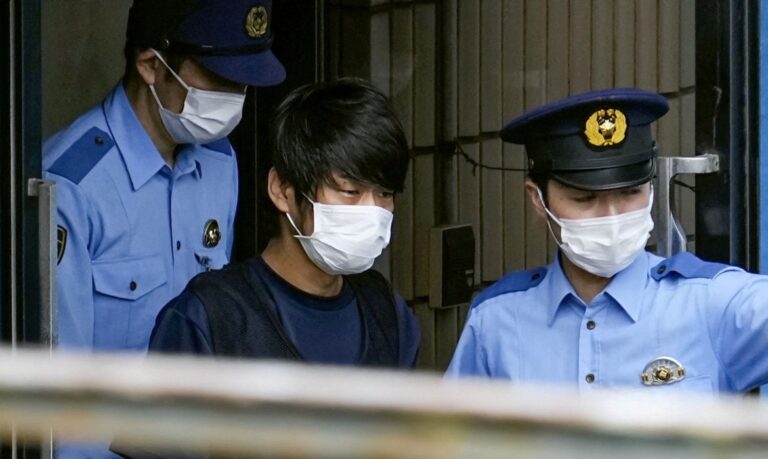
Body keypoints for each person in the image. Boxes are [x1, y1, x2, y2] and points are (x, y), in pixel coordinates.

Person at [446, 88, 768, 394]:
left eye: (630, 192)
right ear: (538, 199)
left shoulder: (711, 304)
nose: (611, 216)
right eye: (584, 198)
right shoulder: (496, 322)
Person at [43, 0, 285, 353]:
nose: (234, 98)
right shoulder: (72, 185)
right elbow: (62, 375)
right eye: (218, 79)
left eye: (243, 84)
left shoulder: (220, 160)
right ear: (151, 66)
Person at [146, 78, 420, 367]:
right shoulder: (208, 318)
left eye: (385, 193)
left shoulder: (388, 315)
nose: (372, 211)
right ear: (282, 190)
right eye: (350, 191)